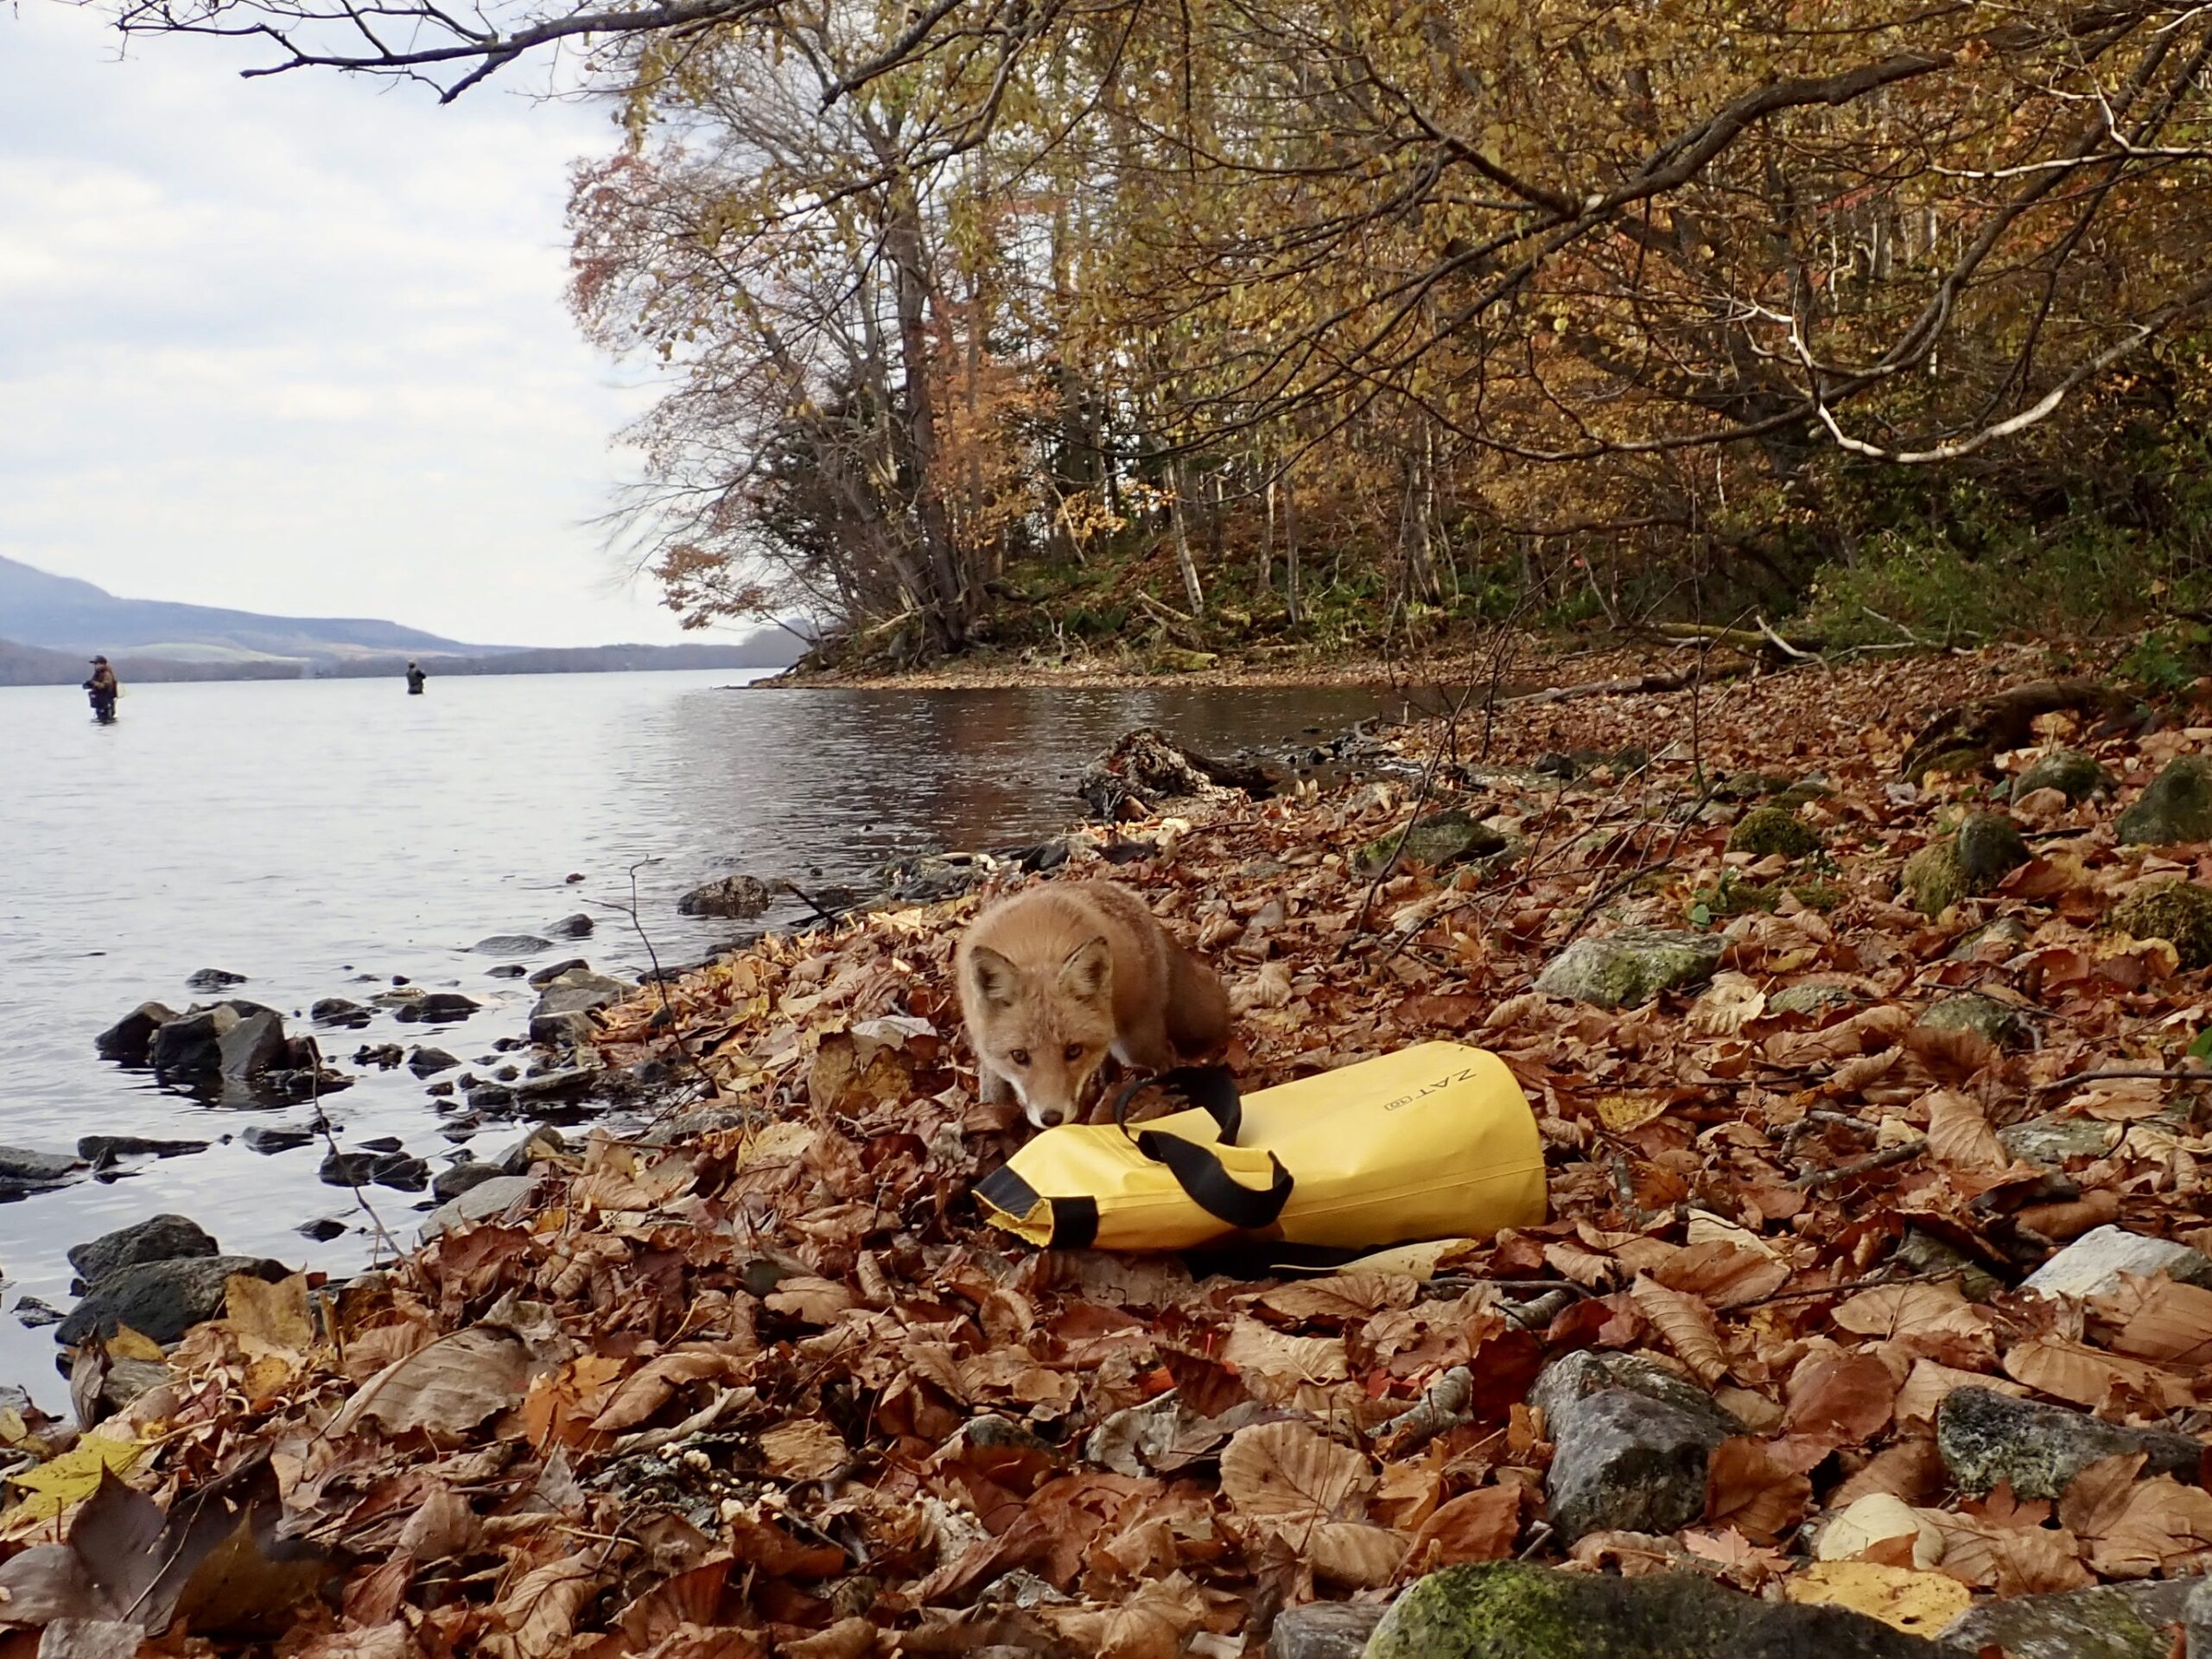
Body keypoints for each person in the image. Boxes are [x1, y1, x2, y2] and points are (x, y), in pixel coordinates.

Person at [83, 656, 119, 723]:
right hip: (100, 702)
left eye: (96, 664)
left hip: (106, 702)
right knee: (100, 719)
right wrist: (88, 685)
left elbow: (105, 686)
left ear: (103, 664)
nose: (95, 666)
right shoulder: (97, 673)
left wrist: (93, 683)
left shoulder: (107, 674)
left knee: (107, 720)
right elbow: (96, 684)